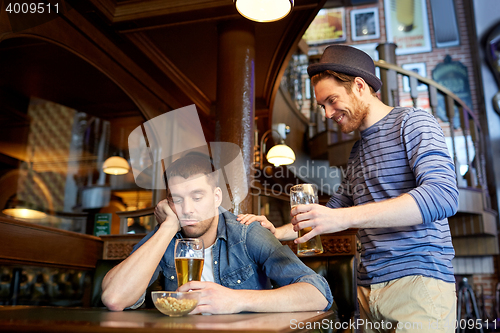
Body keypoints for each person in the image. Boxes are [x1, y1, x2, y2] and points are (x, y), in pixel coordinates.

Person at [238, 45, 458, 332]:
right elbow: (331, 213)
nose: (328, 113)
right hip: (367, 291)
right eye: (322, 106)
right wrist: (275, 233)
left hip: (418, 285)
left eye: (332, 100)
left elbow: (443, 196)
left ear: (359, 86)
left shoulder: (413, 123)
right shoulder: (357, 152)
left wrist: (342, 218)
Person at [101, 153, 332, 314]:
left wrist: (235, 300)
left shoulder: (246, 233)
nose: (188, 209)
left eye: (197, 197)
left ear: (217, 197)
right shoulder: (167, 234)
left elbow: (318, 294)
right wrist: (169, 227)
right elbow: (114, 298)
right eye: (177, 199)